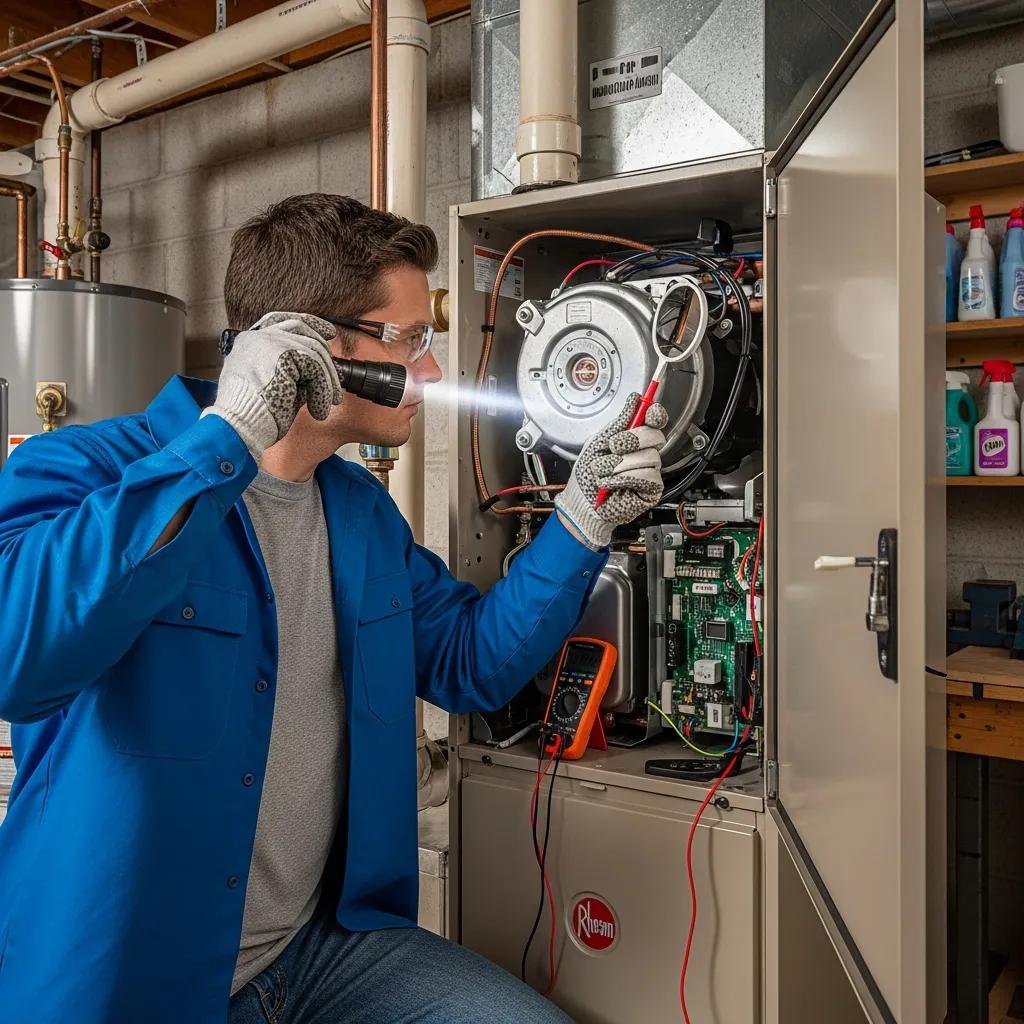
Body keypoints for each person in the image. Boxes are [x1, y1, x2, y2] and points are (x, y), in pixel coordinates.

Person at [0, 194, 668, 1024]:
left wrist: (582, 519)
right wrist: (224, 440)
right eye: (412, 340)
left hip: (326, 951)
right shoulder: (85, 468)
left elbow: (472, 663)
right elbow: (15, 659)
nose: (429, 372)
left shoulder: (358, 512)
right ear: (310, 341)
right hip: (134, 977)